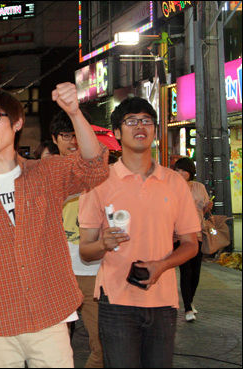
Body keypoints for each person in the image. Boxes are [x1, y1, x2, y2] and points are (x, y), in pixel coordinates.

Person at [0, 84, 109, 368]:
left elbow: (94, 166)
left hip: (49, 318)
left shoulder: (45, 173)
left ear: (17, 123)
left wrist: (75, 113)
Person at [78, 97, 201, 368]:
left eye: (146, 120)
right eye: (131, 121)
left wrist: (163, 265)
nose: (140, 126)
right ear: (118, 133)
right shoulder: (99, 182)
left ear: (155, 130)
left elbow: (191, 243)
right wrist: (103, 243)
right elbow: (85, 250)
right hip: (116, 301)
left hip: (163, 301)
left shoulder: (174, 182)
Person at [50, 110, 103, 368]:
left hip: (93, 272)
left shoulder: (101, 174)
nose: (73, 141)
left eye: (77, 135)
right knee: (54, 353)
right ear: (55, 139)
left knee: (101, 347)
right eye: (66, 135)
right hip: (56, 273)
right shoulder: (44, 176)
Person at [173, 157, 213, 322]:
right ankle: (188, 308)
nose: (181, 174)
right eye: (178, 170)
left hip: (197, 233)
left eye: (184, 171)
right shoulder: (171, 188)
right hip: (178, 235)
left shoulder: (199, 187)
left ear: (191, 172)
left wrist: (205, 207)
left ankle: (190, 300)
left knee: (196, 272)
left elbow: (202, 212)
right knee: (186, 271)